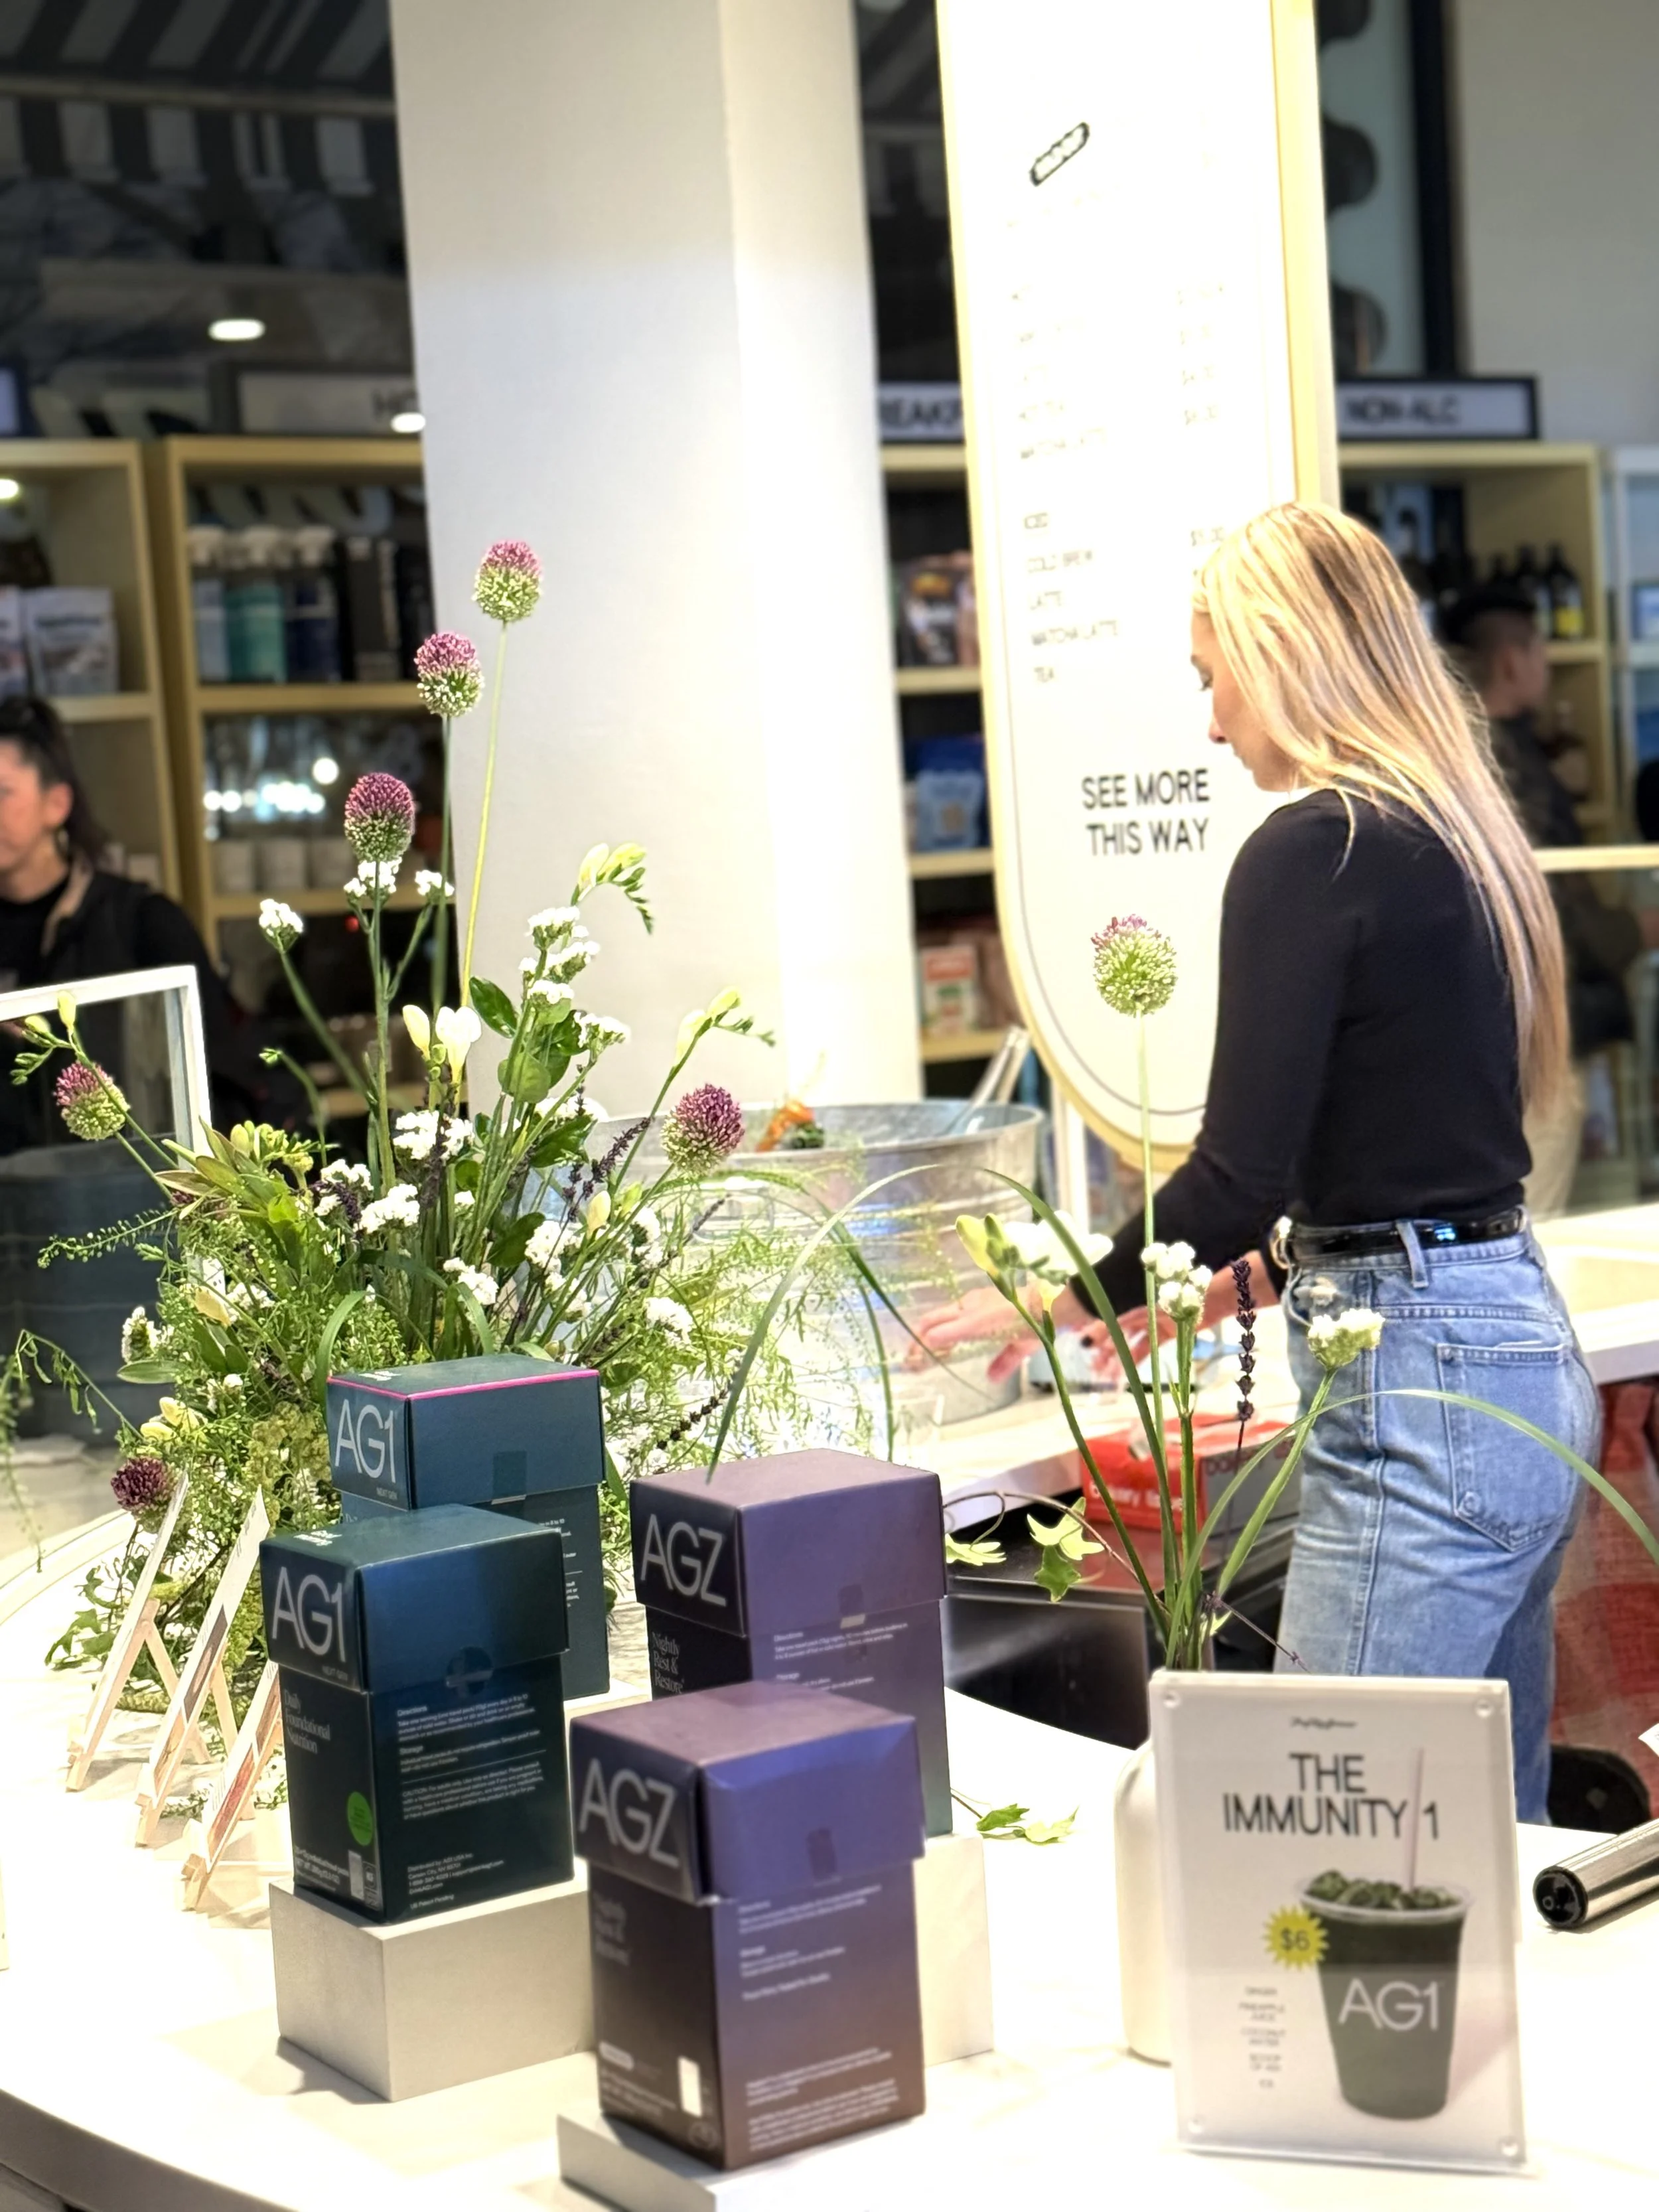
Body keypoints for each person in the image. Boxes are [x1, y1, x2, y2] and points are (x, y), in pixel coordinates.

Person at [919, 502, 1599, 1822]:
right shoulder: (1455, 835)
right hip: (1515, 1360)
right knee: (1479, 1854)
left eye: (1208, 674)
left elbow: (1231, 1174)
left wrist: (1049, 1302)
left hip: (1420, 1403)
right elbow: (1418, 1155)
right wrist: (1263, 1273)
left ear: (1278, 653)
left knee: (1306, 1832)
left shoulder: (1311, 851)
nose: (1210, 719)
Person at [1441, 580, 1658, 1213]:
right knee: (1536, 1215)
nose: (1548, 665)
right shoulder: (1501, 762)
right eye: (1539, 651)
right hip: (1539, 1028)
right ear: (1512, 660)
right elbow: (1540, 907)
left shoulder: (1488, 753)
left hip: (1526, 1025)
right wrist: (1633, 931)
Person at [0, 694, 291, 1151]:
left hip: (129, 1198)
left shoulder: (142, 923)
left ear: (56, 803)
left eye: (2, 792)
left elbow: (214, 1079)